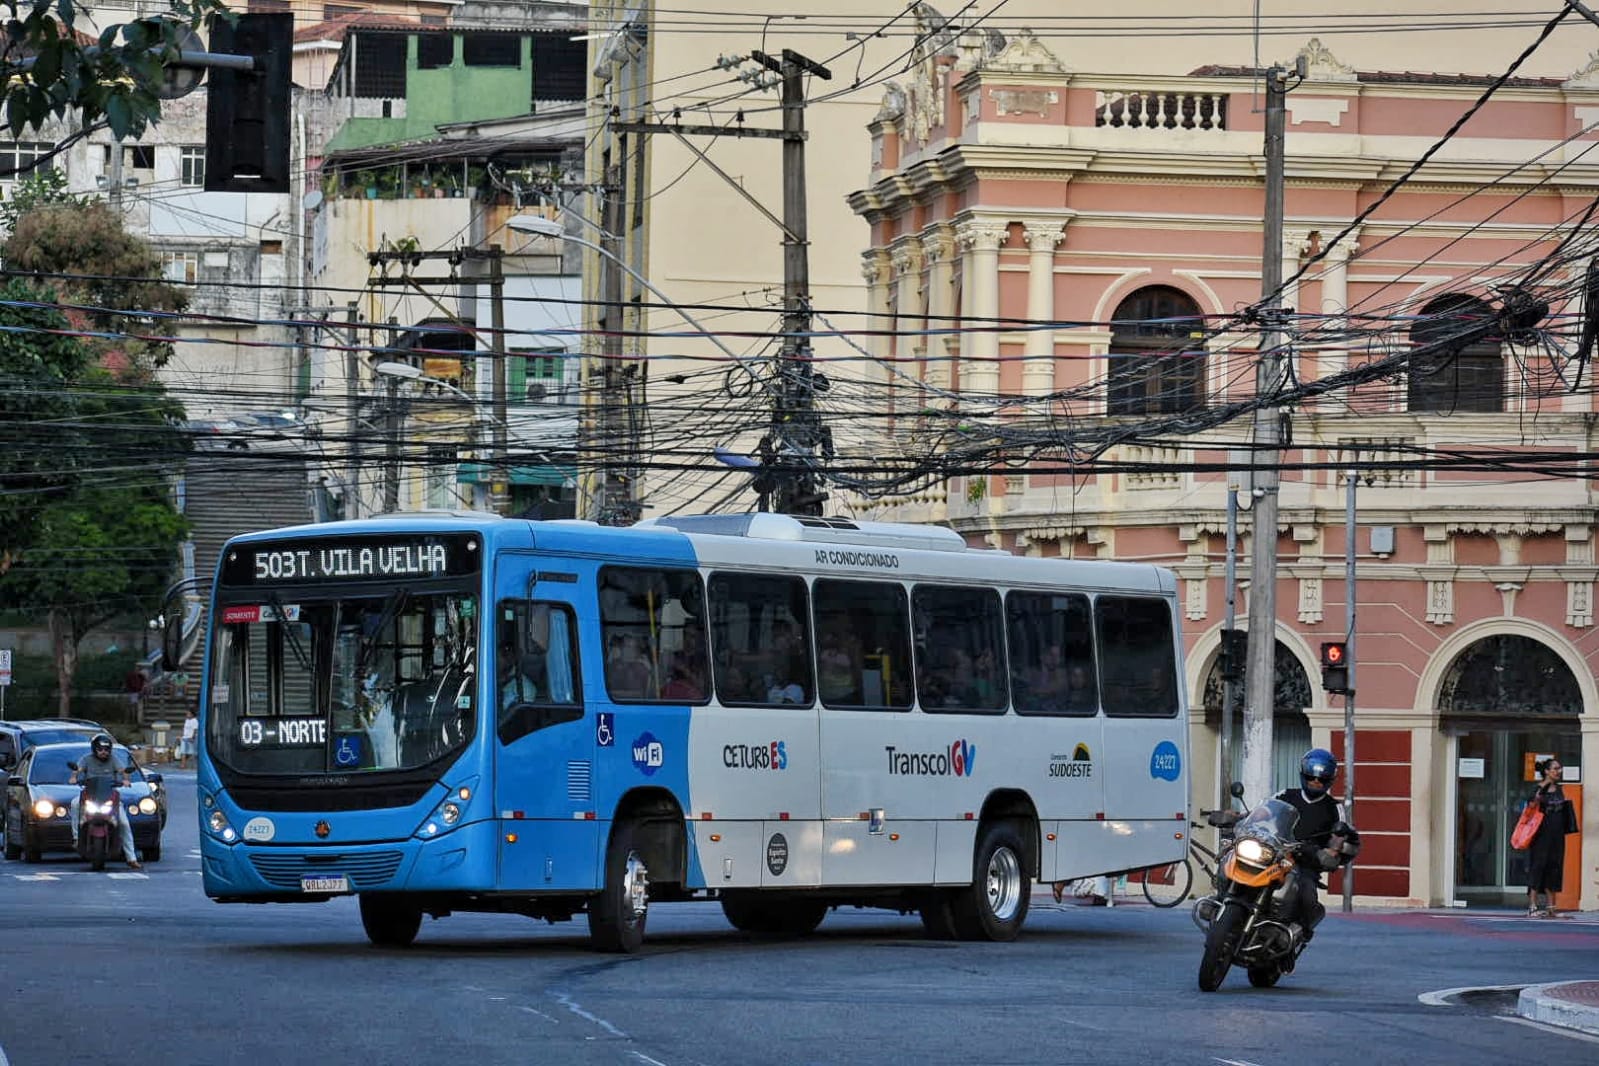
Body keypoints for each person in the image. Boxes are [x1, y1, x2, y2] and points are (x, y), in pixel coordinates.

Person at [1272, 748, 1359, 943]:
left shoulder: (1334, 808)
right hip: (1275, 855)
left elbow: (1344, 834)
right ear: (1304, 775)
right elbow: (1262, 813)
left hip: (1306, 863)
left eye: (1322, 778)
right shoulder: (1285, 795)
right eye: (1311, 777)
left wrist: (1333, 852)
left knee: (1306, 894)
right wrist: (1237, 818)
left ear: (1329, 780)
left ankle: (1297, 932)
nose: (1316, 782)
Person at [69, 733, 141, 870]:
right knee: (74, 803)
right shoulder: (86, 759)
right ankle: (77, 837)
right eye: (100, 749)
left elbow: (122, 770)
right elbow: (78, 769)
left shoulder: (114, 760)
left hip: (109, 796)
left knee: (124, 823)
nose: (103, 752)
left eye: (106, 750)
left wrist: (125, 780)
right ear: (94, 749)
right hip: (90, 795)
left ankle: (131, 858)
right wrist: (74, 777)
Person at [1525, 757, 1578, 917]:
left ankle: (1551, 907)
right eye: (1555, 769)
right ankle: (1532, 906)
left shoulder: (1560, 789)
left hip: (1557, 833)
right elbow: (1531, 806)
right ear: (1547, 771)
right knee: (1538, 866)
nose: (1558, 771)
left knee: (1554, 867)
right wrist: (1541, 792)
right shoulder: (1538, 788)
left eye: (1559, 768)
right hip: (1541, 833)